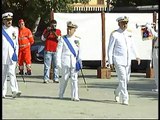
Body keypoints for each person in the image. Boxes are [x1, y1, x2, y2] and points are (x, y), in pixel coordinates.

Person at [107, 16, 141, 105]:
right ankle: (125, 98)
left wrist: (137, 56)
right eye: (123, 23)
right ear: (119, 23)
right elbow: (110, 49)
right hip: (118, 60)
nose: (125, 25)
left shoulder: (129, 33)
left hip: (127, 60)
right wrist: (110, 62)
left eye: (126, 23)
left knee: (126, 80)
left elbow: (133, 45)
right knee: (122, 79)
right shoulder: (114, 34)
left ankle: (117, 92)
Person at [56, 21, 82, 101]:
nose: (69, 30)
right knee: (65, 78)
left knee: (74, 79)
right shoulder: (63, 39)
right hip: (65, 61)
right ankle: (61, 93)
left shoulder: (77, 39)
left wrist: (79, 61)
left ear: (74, 30)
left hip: (74, 62)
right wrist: (58, 62)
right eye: (68, 28)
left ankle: (75, 96)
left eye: (71, 29)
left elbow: (79, 51)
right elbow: (59, 51)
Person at [2, 12, 21, 98]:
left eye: (10, 20)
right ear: (3, 21)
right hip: (3, 55)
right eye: (7, 20)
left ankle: (14, 90)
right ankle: (3, 91)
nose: (9, 22)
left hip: (12, 55)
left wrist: (16, 55)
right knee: (3, 74)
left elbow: (16, 44)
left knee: (12, 72)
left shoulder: (15, 30)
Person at [146, 23, 159, 92]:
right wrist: (149, 28)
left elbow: (156, 35)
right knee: (156, 70)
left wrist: (150, 28)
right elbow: (153, 36)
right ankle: (157, 86)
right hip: (156, 49)